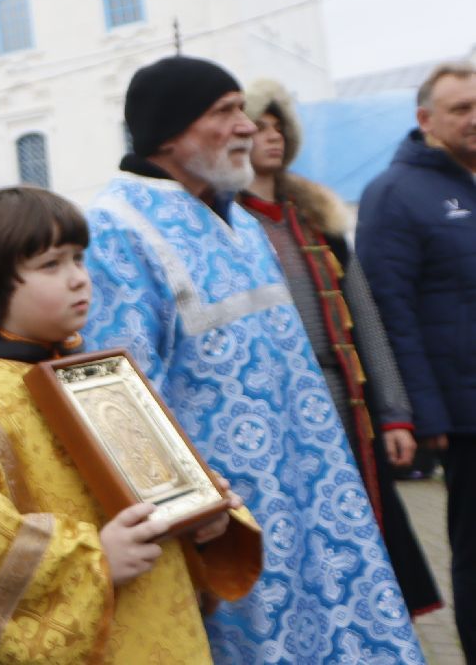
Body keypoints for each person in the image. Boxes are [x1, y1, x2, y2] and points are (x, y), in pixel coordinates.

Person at [78, 55, 426, 663]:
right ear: (169, 130)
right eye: (225, 112)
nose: (246, 126)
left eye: (243, 109)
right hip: (230, 525)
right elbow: (123, 402)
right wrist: (191, 520)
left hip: (313, 493)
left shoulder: (239, 217)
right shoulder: (117, 228)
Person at [0, 186, 259, 663]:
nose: (79, 280)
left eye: (78, 259)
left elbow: (165, 489)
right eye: (51, 265)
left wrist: (205, 519)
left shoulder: (97, 376)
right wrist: (95, 561)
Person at [238, 78, 442, 617]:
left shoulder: (317, 217)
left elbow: (367, 322)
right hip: (278, 410)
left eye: (280, 129)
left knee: (369, 530)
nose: (273, 138)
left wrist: (396, 414)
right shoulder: (226, 224)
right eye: (260, 128)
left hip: (349, 404)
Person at [357, 60, 476, 651]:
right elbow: (387, 312)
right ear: (425, 119)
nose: (475, 119)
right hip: (464, 417)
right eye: (461, 109)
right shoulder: (396, 194)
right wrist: (417, 415)